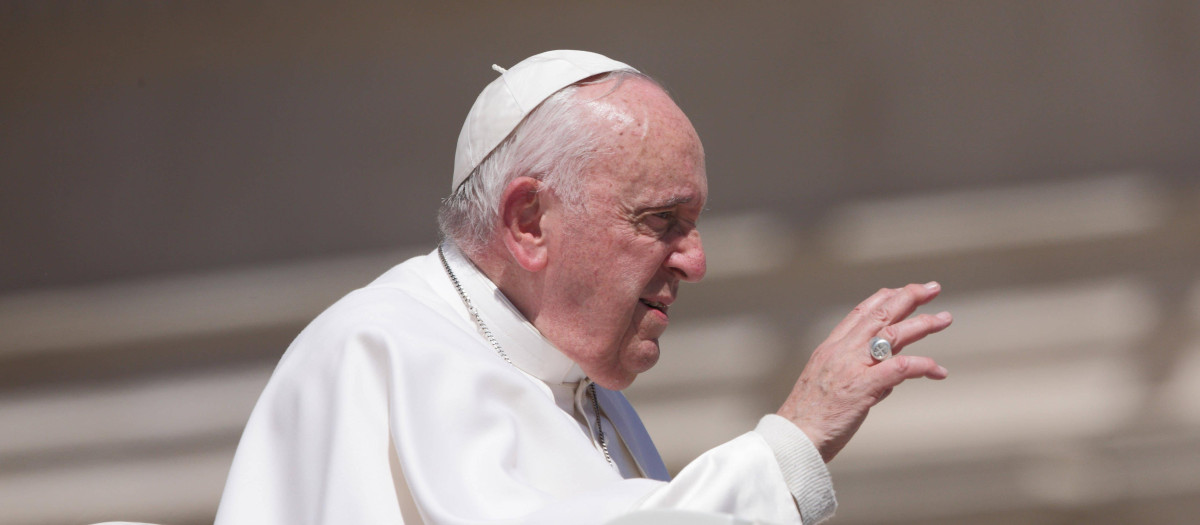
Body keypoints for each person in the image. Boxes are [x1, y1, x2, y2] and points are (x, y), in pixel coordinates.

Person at [213, 50, 952, 525]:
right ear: (529, 220)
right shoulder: (377, 351)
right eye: (662, 219)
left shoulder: (602, 408)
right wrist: (788, 443)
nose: (694, 261)